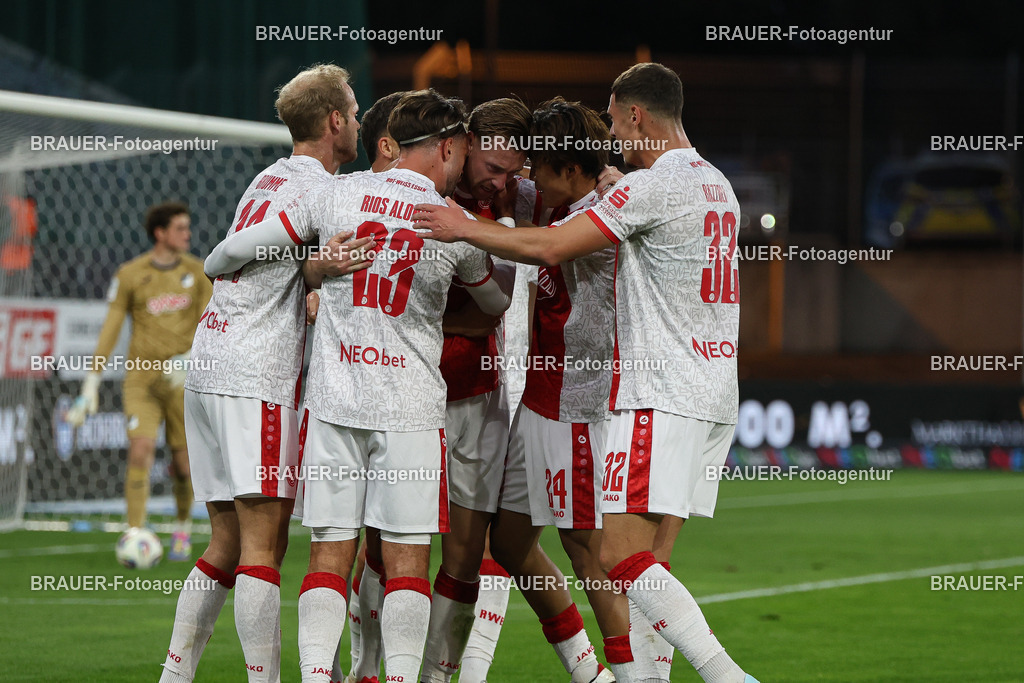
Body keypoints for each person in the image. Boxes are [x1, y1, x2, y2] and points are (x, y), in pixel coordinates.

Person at [412, 62, 758, 683]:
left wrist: (465, 228)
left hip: (606, 394)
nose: (525, 183)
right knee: (525, 544)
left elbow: (549, 245)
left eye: (535, 171)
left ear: (634, 115)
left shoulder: (629, 195)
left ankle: (664, 675)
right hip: (661, 390)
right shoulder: (711, 184)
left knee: (611, 556)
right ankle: (601, 670)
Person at [203, 88, 514, 683]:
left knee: (328, 555)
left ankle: (318, 677)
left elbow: (231, 253)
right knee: (404, 563)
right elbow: (495, 302)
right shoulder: (452, 221)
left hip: (335, 402)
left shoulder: (335, 193)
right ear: (448, 147)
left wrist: (302, 270)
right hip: (410, 409)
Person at [157, 63, 370, 683]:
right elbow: (234, 254)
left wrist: (311, 271)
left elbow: (276, 262)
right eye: (353, 113)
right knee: (262, 546)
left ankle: (174, 675)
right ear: (334, 121)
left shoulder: (267, 178)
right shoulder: (318, 189)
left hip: (211, 361)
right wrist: (221, 257)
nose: (357, 122)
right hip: (256, 373)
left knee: (225, 543)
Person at [67, 200, 211, 561]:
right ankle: (135, 532)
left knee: (183, 464)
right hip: (142, 379)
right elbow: (111, 329)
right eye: (180, 228)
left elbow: (213, 327)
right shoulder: (131, 274)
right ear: (160, 233)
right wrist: (91, 384)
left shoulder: (199, 271)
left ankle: (182, 528)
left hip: (183, 380)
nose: (187, 234)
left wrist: (190, 359)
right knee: (140, 449)